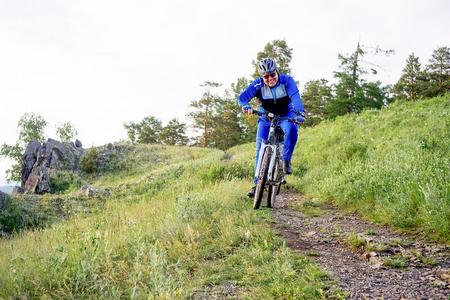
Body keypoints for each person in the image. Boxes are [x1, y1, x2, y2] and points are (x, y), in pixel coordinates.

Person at [238, 58, 305, 198]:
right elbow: (242, 97)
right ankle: (257, 185)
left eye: (272, 74)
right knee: (260, 148)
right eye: (266, 76)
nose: (270, 78)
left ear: (277, 71)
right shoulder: (258, 84)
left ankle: (286, 160)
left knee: (292, 129)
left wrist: (300, 113)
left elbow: (295, 97)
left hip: (286, 114)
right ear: (262, 77)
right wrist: (246, 106)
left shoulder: (287, 81)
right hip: (266, 116)